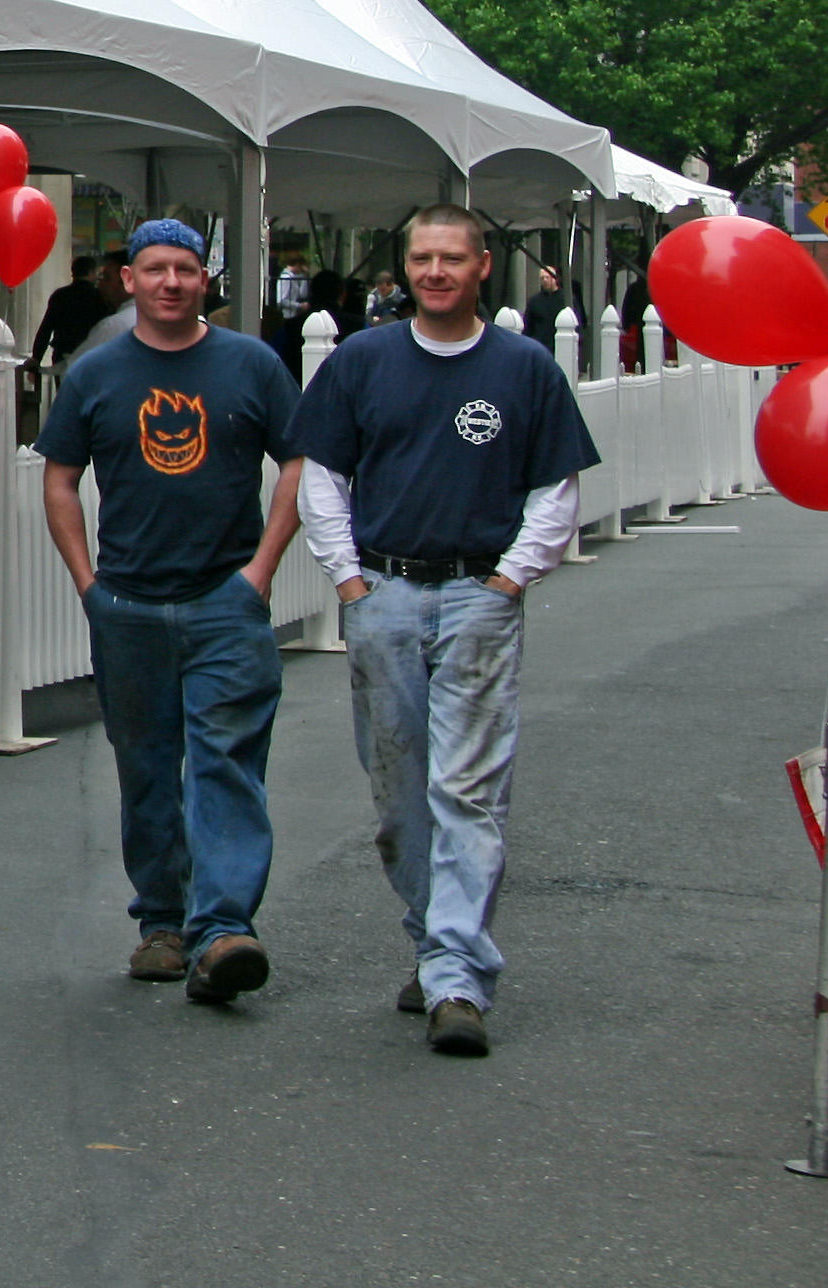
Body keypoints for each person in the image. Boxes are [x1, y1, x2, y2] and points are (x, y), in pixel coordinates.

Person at [290, 202, 600, 1060]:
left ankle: (457, 976)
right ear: (408, 267)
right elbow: (323, 478)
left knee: (467, 788)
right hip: (384, 592)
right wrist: (349, 580)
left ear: (481, 266)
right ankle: (436, 943)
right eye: (423, 258)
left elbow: (556, 489)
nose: (435, 272)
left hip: (478, 598)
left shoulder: (524, 369)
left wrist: (508, 580)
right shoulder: (362, 361)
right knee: (398, 796)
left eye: (452, 259)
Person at [38, 219, 308, 1007]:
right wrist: (89, 584)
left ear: (204, 280)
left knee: (226, 761)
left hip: (226, 600)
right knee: (147, 765)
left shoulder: (251, 365)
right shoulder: (96, 374)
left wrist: (261, 571)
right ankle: (162, 922)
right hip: (128, 603)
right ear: (129, 279)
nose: (170, 283)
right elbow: (59, 479)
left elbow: (299, 459)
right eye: (154, 269)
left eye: (185, 270)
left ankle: (222, 928)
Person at [39, 256, 109, 367]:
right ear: (91, 272)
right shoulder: (99, 296)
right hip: (92, 355)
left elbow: (45, 329)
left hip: (62, 354)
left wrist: (36, 358)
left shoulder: (60, 295)